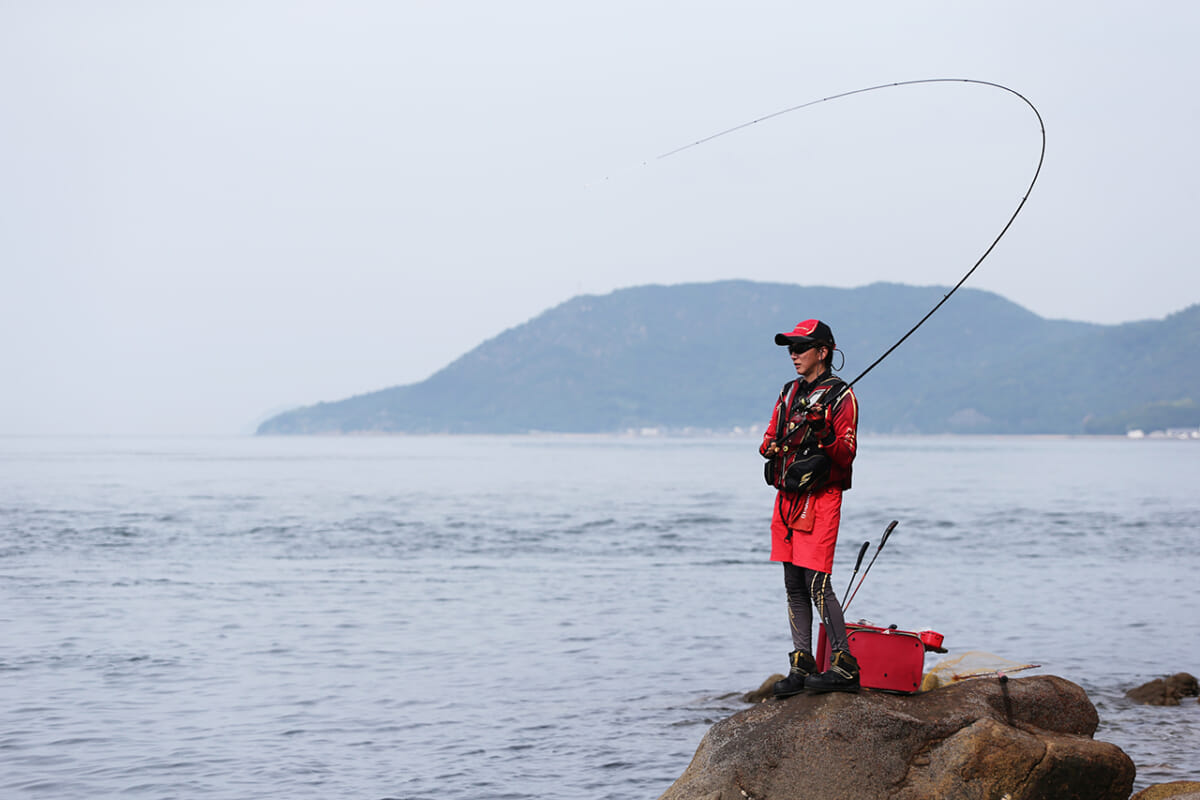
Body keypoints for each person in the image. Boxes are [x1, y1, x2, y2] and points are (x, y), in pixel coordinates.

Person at [759, 319, 860, 695]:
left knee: (816, 581)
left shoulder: (841, 396)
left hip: (821, 498)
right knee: (793, 582)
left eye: (801, 348)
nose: (794, 354)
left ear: (824, 352)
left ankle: (845, 664)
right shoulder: (787, 393)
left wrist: (823, 430)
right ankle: (802, 663)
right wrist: (768, 446)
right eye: (791, 348)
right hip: (786, 498)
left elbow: (845, 455)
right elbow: (770, 437)